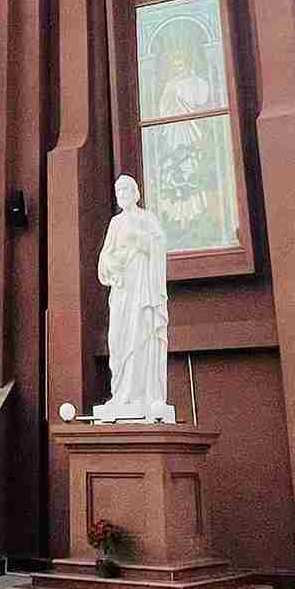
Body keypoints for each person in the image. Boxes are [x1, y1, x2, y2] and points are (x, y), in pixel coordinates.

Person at [94, 175, 172, 422]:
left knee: (143, 334)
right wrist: (112, 262)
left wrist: (141, 241)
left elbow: (160, 246)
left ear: (136, 192)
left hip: (144, 289)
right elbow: (105, 257)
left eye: (126, 188)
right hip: (123, 290)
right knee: (120, 338)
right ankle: (122, 394)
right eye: (118, 189)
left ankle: (144, 395)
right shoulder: (115, 223)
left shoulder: (147, 218)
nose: (122, 192)